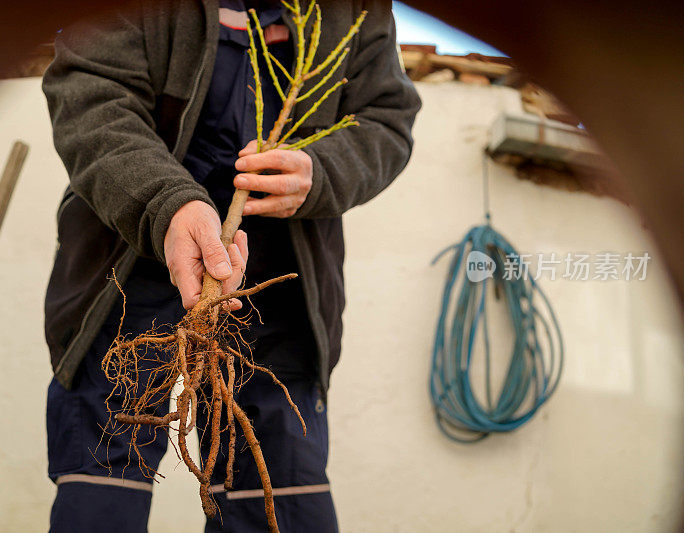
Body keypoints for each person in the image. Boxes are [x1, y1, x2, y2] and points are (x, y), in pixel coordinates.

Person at [42, 0, 420, 530]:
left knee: (279, 495)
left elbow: (387, 119)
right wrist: (166, 203)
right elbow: (92, 94)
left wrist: (322, 169)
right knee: (104, 484)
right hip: (127, 268)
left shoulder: (355, 10)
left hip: (279, 288)